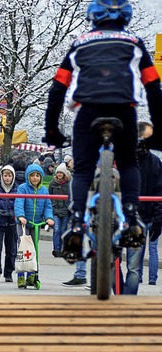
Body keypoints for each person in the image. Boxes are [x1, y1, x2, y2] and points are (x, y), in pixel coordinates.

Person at [44, 0, 162, 261]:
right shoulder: (135, 43)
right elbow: (154, 86)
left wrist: (52, 130)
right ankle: (131, 216)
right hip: (123, 109)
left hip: (88, 111)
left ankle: (76, 222)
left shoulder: (80, 43)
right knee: (129, 162)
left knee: (84, 168)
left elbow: (58, 88)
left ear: (93, 17)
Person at [123, 123, 162, 293]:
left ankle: (127, 301)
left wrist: (158, 220)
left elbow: (159, 192)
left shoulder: (155, 162)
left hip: (143, 218)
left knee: (133, 267)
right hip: (122, 217)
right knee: (112, 262)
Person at [14, 164, 55, 289]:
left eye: (38, 175)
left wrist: (49, 218)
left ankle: (32, 275)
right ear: (28, 177)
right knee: (23, 249)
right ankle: (21, 276)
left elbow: (47, 205)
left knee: (34, 249)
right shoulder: (23, 188)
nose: (35, 178)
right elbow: (19, 203)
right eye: (32, 176)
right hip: (24, 223)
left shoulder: (44, 190)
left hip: (36, 223)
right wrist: (21, 216)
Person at [49, 163, 71, 258]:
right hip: (55, 210)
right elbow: (49, 196)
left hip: (66, 210)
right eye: (57, 172)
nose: (59, 174)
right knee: (56, 230)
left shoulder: (69, 184)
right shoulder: (52, 184)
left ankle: (63, 249)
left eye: (61, 173)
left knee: (63, 230)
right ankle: (56, 249)